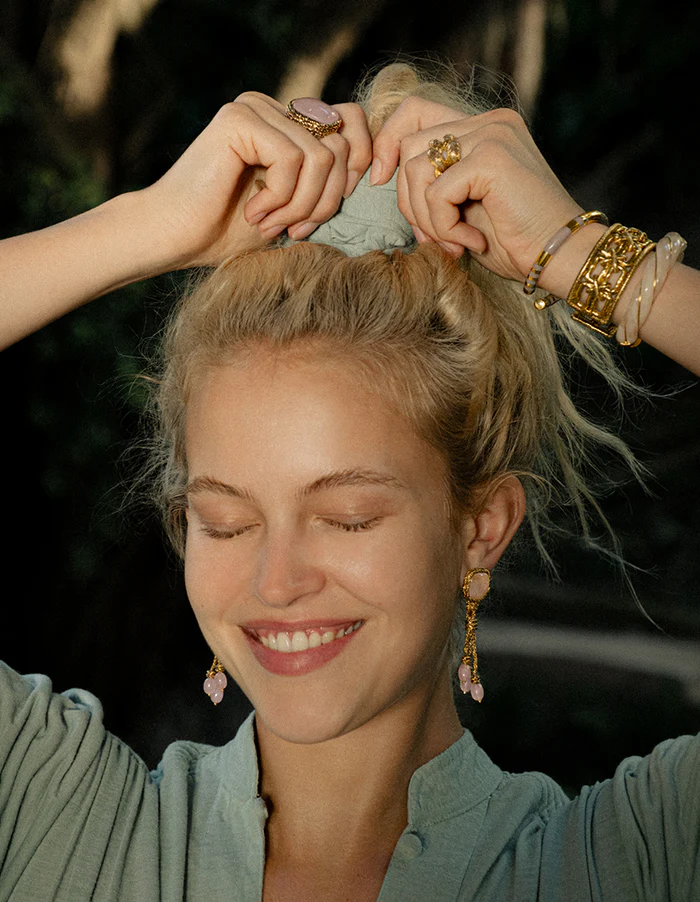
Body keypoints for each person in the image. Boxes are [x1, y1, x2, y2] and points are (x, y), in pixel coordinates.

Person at [0, 62, 698, 901]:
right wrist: (147, 224)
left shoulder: (631, 860)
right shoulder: (57, 815)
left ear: (482, 526)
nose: (277, 581)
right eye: (224, 523)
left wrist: (585, 256)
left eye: (349, 517)